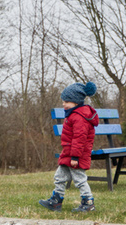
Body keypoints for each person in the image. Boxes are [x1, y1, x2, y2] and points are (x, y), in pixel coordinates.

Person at [39, 81, 98, 212]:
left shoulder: (79, 117)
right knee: (59, 177)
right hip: (69, 153)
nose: (63, 104)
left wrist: (75, 157)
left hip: (77, 155)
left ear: (76, 102)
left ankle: (88, 202)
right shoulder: (73, 114)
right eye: (63, 101)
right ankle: (56, 201)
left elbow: (79, 139)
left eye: (66, 101)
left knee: (79, 179)